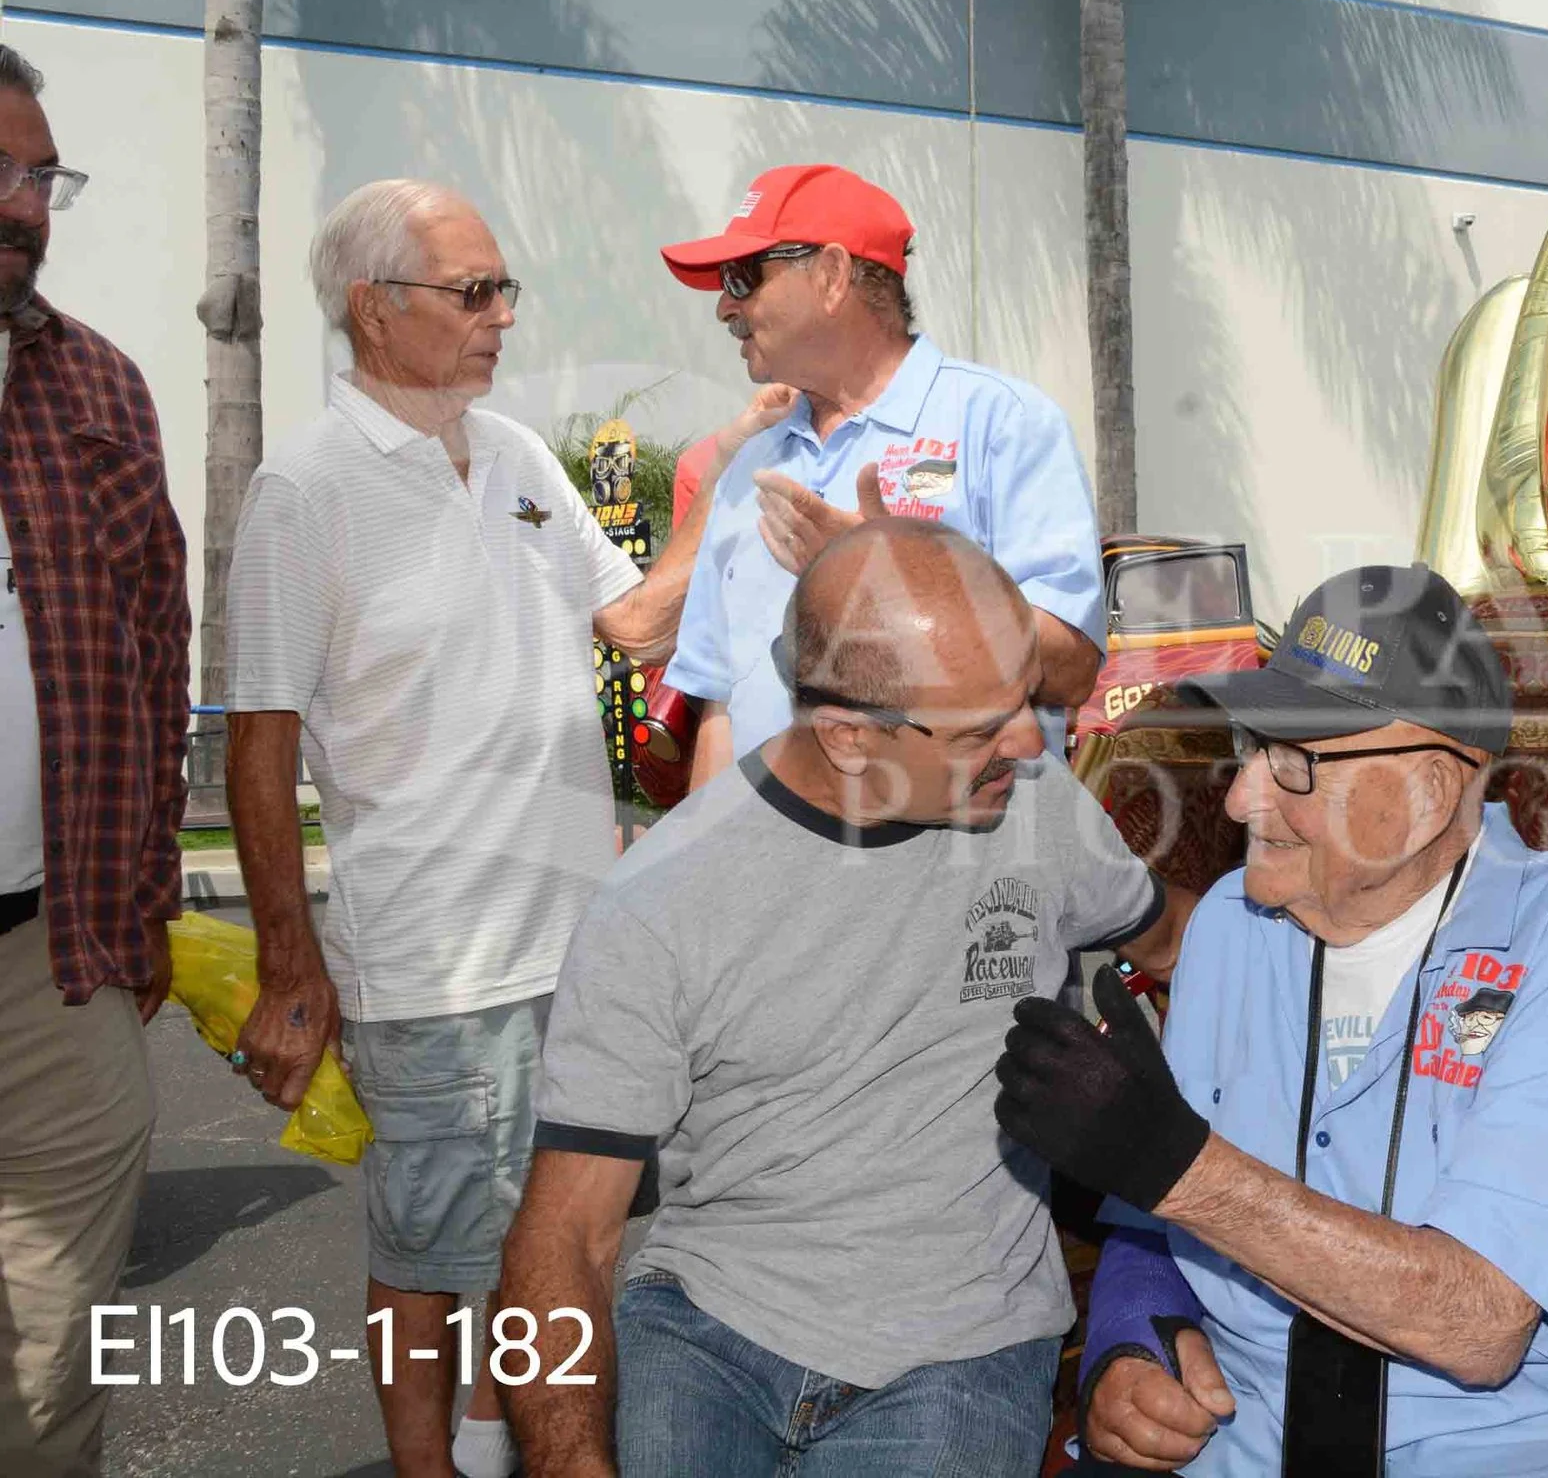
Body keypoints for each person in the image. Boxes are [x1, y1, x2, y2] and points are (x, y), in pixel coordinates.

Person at [223, 179, 786, 1478]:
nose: (502, 316)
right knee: (429, 1254)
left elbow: (631, 619)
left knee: (561, 1232)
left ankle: (499, 1435)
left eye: (503, 289)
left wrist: (731, 483)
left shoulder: (522, 464)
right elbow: (259, 741)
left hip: (579, 949)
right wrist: (291, 960)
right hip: (437, 968)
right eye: (473, 292)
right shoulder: (305, 490)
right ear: (375, 308)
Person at [498, 517, 1188, 1477]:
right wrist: (568, 1465)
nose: (1031, 742)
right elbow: (564, 1236)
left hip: (964, 1344)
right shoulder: (659, 901)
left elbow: (1182, 942)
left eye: (1027, 699)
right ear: (848, 736)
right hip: (710, 1328)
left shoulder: (1038, 809)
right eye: (983, 727)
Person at [997, 564, 1548, 1477]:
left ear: (1432, 791)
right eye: (1251, 745)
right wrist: (1131, 1338)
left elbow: (1482, 1323)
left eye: (1296, 761)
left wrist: (1175, 1166)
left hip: (1516, 1440)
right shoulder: (1229, 926)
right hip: (1247, 1436)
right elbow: (1156, 1218)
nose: (1240, 798)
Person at [658, 164, 1106, 783]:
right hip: (772, 842)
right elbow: (720, 708)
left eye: (742, 276)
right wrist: (713, 840)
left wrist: (895, 581)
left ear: (831, 276)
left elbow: (1071, 668)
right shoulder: (748, 468)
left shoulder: (1002, 425)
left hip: (963, 837)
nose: (724, 306)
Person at [0, 44, 188, 1478]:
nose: (24, 204)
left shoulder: (99, 385)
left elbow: (158, 649)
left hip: (50, 964)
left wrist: (141, 908)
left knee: (52, 1361)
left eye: (40, 176)